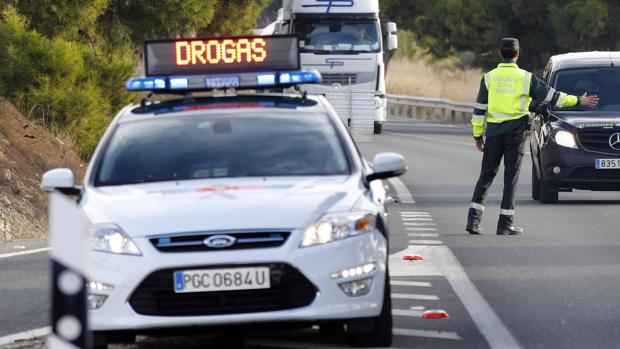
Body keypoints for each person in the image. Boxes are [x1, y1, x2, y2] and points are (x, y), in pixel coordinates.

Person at [466, 38, 599, 236]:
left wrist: (478, 135)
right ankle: (505, 224)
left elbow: (479, 111)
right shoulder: (526, 78)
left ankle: (473, 222)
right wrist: (578, 100)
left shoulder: (489, 78)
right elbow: (553, 97)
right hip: (516, 134)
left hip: (493, 134)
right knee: (510, 178)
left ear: (500, 53)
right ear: (518, 53)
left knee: (486, 175)